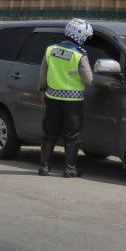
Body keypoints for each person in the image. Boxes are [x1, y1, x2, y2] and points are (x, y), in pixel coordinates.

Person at [38, 18, 95, 178]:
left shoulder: (50, 50)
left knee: (49, 132)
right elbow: (88, 79)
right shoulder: (79, 55)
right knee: (71, 135)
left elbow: (42, 75)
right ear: (80, 36)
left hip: (52, 99)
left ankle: (44, 167)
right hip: (73, 103)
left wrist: (42, 90)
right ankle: (70, 169)